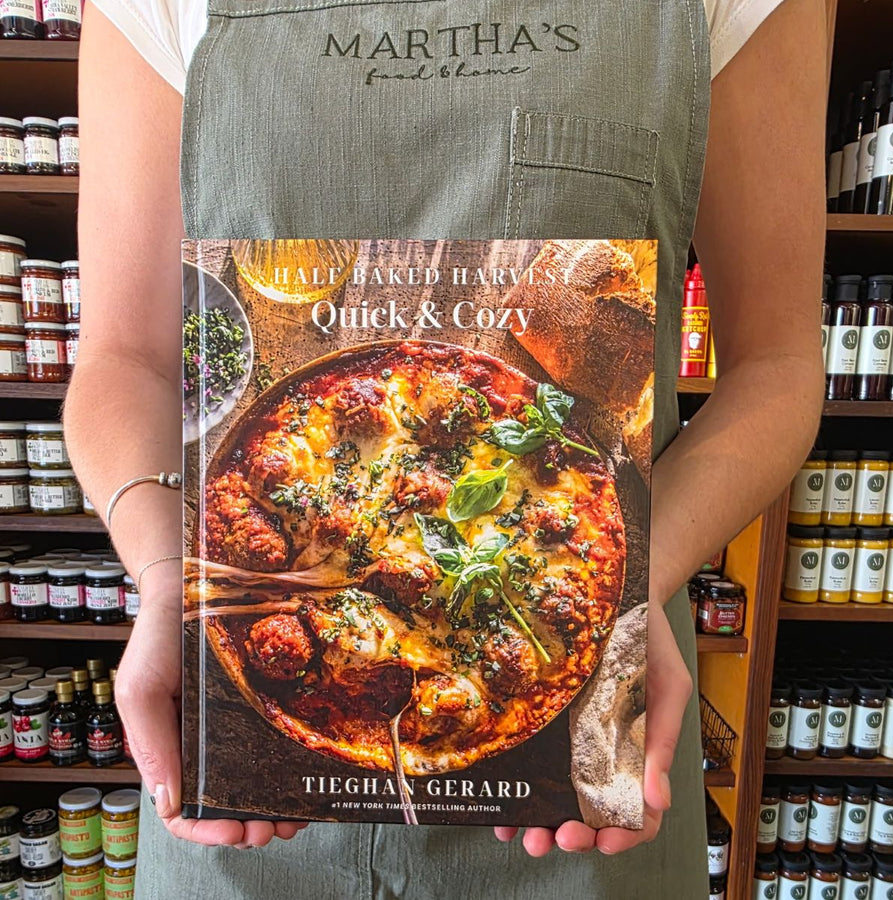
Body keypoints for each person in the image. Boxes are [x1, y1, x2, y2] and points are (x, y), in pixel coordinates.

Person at [64, 0, 827, 896]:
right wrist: (169, 579)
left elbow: (776, 363)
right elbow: (123, 359)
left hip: (576, 789)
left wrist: (627, 585)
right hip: (239, 802)